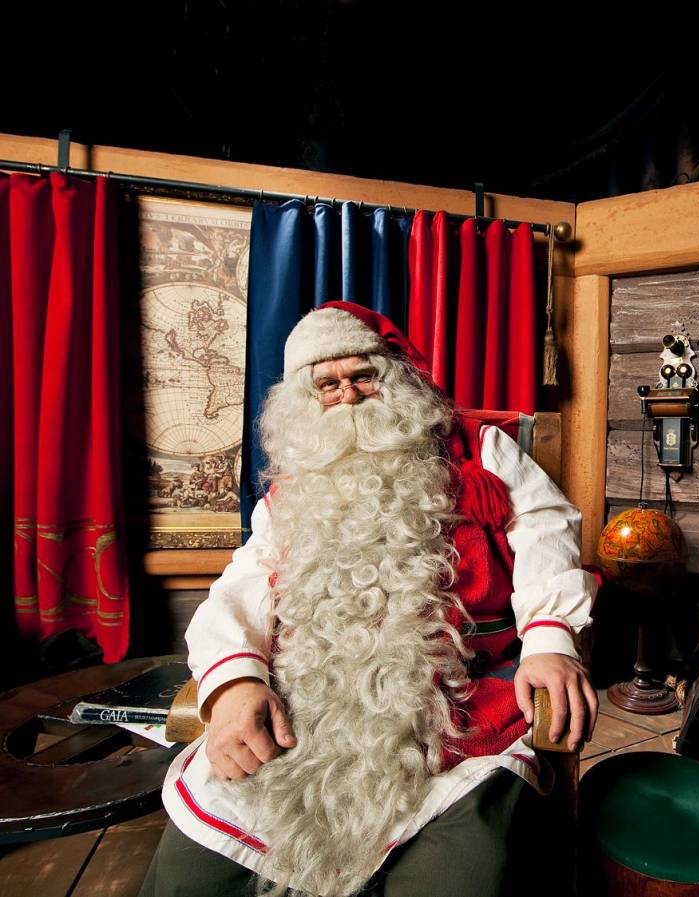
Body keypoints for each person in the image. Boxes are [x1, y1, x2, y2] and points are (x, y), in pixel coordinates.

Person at [140, 302, 599, 897]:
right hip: (307, 709)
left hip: (456, 707)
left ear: (396, 377)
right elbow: (243, 585)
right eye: (327, 385)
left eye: (363, 376)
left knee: (455, 877)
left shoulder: (479, 451)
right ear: (303, 401)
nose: (349, 396)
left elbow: (546, 529)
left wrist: (549, 639)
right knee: (191, 877)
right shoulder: (294, 487)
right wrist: (233, 685)